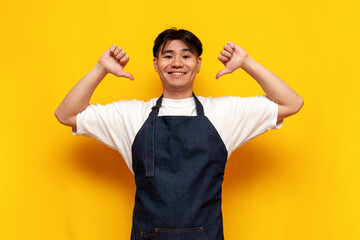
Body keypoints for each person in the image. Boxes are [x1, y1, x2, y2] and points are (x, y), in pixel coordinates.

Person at [55, 28, 303, 240]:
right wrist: (101, 68)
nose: (177, 63)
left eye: (186, 56)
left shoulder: (225, 113)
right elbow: (66, 114)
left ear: (198, 64)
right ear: (156, 64)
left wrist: (247, 63)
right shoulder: (131, 116)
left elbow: (291, 103)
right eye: (168, 56)